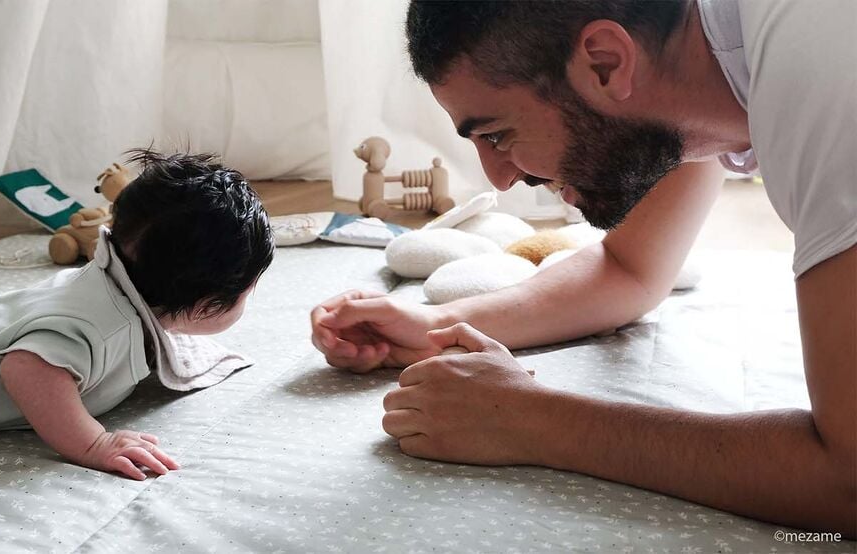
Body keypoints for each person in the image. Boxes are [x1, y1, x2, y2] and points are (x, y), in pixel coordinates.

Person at [310, 0, 855, 534]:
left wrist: (528, 421)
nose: (498, 179)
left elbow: (846, 479)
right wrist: (435, 325)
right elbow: (629, 268)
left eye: (497, 134)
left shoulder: (828, 72)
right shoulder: (690, 77)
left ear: (604, 62)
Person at [0, 149, 275, 481]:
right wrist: (94, 444)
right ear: (205, 306)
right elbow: (26, 367)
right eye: (248, 289)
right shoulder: (105, 327)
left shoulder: (106, 278)